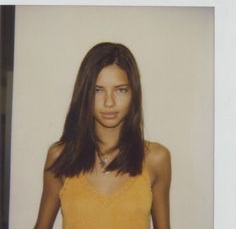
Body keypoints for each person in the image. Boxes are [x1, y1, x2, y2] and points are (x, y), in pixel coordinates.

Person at [34, 42, 171, 229]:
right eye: (98, 90)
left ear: (134, 94)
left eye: (120, 90)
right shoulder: (60, 157)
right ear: (84, 94)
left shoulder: (156, 159)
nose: (109, 102)